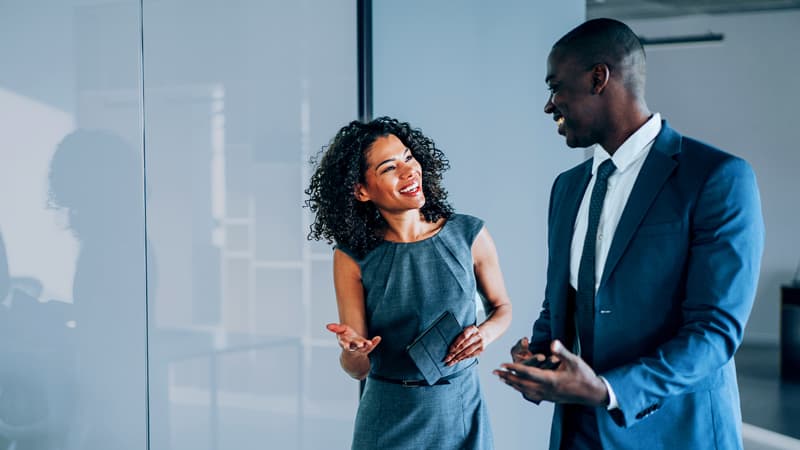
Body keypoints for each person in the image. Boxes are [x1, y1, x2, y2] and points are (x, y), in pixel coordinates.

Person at [493, 18, 764, 450]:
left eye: (556, 86)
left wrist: (607, 390)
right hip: (577, 434)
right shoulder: (567, 187)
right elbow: (561, 301)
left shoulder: (716, 177)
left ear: (599, 78)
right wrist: (540, 361)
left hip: (674, 434)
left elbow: (714, 332)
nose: (550, 105)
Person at [305, 116, 512, 450]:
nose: (408, 171)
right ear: (360, 190)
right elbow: (357, 368)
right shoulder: (352, 257)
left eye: (409, 158)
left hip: (460, 409)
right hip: (388, 415)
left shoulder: (469, 234)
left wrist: (483, 334)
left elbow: (502, 308)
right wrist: (353, 351)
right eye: (389, 168)